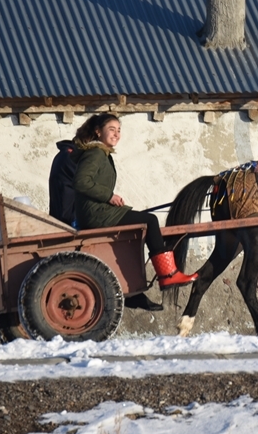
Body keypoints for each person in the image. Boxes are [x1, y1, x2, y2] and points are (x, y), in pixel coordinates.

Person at [71, 113, 197, 298]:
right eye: (111, 129)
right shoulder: (96, 154)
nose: (116, 134)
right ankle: (167, 274)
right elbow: (81, 182)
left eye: (119, 130)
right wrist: (109, 196)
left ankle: (159, 276)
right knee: (150, 220)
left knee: (144, 220)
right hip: (96, 214)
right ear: (98, 132)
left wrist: (110, 200)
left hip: (98, 211)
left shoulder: (102, 154)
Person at [48, 140, 79, 226]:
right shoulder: (71, 156)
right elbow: (89, 183)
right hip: (70, 218)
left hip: (64, 216)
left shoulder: (65, 154)